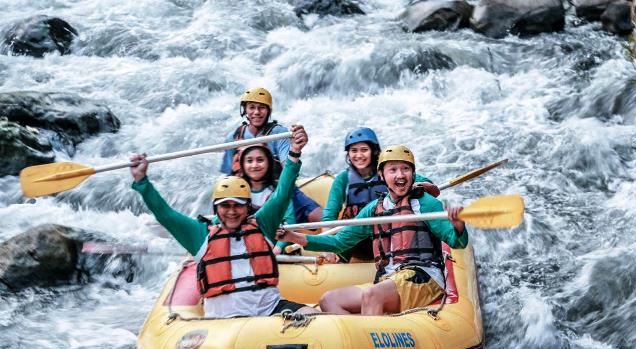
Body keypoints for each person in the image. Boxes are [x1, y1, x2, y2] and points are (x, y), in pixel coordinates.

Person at [130, 125, 318, 318]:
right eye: (224, 206)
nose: (231, 212)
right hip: (226, 323)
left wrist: (294, 152)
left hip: (271, 310)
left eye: (237, 205)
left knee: (316, 317)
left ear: (247, 207)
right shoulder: (200, 236)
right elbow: (166, 215)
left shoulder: (263, 225)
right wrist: (143, 182)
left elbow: (282, 194)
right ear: (216, 209)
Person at [278, 145, 467, 315]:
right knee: (329, 300)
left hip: (423, 277)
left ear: (413, 174)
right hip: (388, 278)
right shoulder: (374, 209)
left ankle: (369, 344)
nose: (400, 175)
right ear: (382, 176)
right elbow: (339, 242)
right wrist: (295, 237)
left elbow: (457, 242)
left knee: (372, 294)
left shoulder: (426, 203)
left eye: (405, 169)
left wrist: (458, 227)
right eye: (393, 170)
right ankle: (359, 344)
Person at [321, 127, 436, 261]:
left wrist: (416, 187)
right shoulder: (343, 178)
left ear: (374, 151)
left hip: (390, 236)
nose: (358, 155)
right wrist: (327, 246)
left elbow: (425, 182)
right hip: (356, 241)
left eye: (364, 150)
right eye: (353, 151)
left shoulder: (388, 171)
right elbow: (329, 216)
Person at [220, 86, 321, 223]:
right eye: (252, 107)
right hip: (246, 195)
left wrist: (296, 146)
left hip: (280, 190)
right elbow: (228, 175)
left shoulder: (279, 133)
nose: (256, 112)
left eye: (262, 107)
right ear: (245, 109)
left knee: (320, 217)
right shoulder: (233, 137)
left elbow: (288, 166)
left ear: (268, 111)